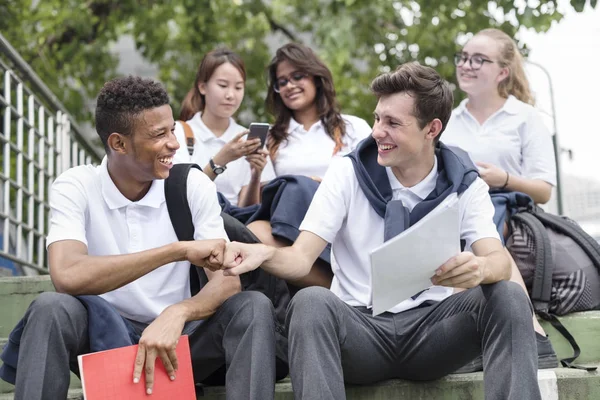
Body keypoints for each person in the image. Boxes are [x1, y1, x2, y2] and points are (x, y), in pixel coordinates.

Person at [222, 63, 542, 400]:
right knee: (310, 302)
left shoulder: (463, 181)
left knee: (507, 295)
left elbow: (497, 260)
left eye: (392, 123)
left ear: (431, 129)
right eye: (377, 119)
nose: (377, 132)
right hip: (361, 332)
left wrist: (479, 269)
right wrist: (264, 253)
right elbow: (301, 260)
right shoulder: (346, 173)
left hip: (432, 333)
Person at [0, 76, 278, 400]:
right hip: (103, 334)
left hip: (183, 340)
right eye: (159, 134)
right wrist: (175, 251)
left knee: (252, 306)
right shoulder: (76, 186)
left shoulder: (192, 184)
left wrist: (178, 313)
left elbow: (226, 282)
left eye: (172, 129)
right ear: (119, 144)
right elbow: (66, 275)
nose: (174, 143)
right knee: (50, 308)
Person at [443, 28, 558, 368]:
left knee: (483, 229)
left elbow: (545, 191)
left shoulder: (524, 116)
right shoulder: (448, 120)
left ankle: (533, 332)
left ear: (502, 72)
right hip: (459, 207)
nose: (467, 65)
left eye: (479, 59)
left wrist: (503, 178)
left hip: (509, 207)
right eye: (463, 57)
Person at [247, 43, 371, 277]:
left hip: (343, 228)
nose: (290, 86)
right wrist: (255, 174)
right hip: (289, 230)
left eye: (297, 76)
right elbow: (255, 206)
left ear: (316, 78)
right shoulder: (272, 137)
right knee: (254, 232)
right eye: (282, 82)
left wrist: (325, 186)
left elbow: (374, 186)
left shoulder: (353, 128)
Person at [174, 48, 275, 207]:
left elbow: (247, 212)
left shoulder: (246, 138)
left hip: (234, 227)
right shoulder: (178, 133)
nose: (231, 95)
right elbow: (180, 195)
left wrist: (256, 175)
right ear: (202, 87)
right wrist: (221, 160)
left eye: (238, 87)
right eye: (222, 85)